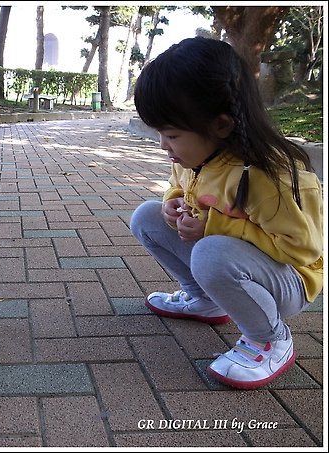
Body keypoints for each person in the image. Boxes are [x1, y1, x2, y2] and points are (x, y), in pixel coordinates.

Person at [129, 37, 323, 390]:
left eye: (171, 135)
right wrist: (174, 202)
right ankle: (204, 301)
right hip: (235, 261)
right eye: (160, 134)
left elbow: (304, 251)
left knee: (210, 252)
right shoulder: (198, 156)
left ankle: (271, 339)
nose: (163, 146)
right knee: (147, 216)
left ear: (220, 125)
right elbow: (181, 184)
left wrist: (214, 227)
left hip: (291, 280)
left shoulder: (266, 177)